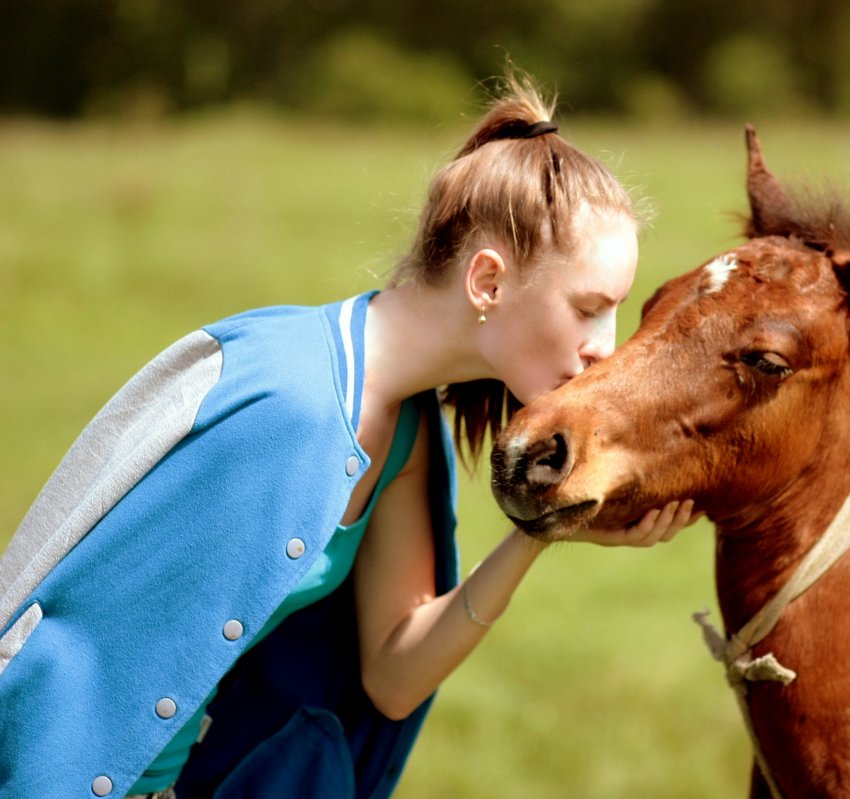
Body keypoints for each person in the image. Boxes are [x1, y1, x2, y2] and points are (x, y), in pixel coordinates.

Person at [0, 74, 696, 799]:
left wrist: (539, 530)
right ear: (487, 281)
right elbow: (70, 643)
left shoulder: (406, 433)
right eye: (590, 308)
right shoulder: (287, 399)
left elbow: (393, 674)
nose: (603, 348)